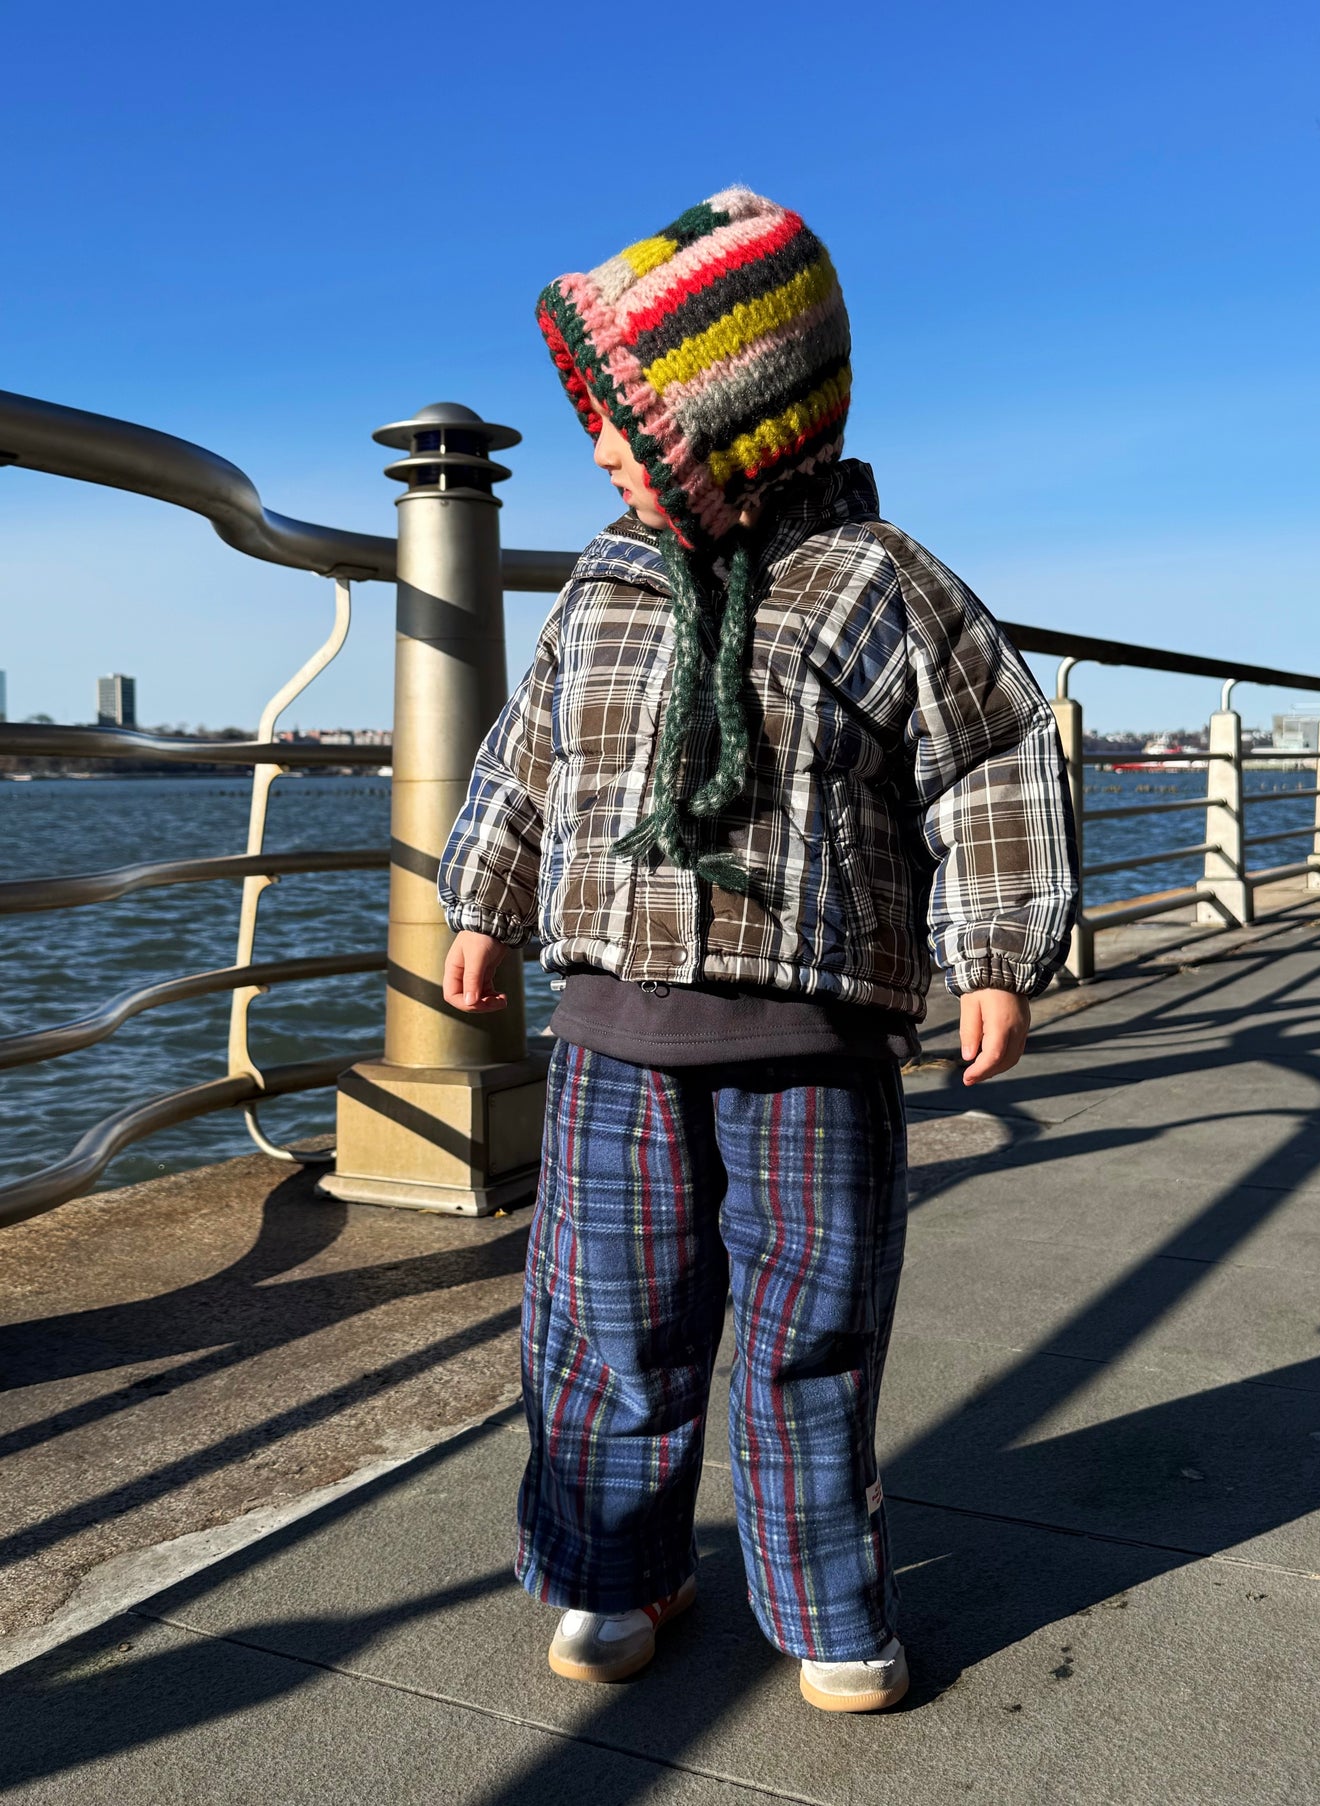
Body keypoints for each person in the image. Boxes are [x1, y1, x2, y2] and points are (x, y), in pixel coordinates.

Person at [438, 187, 1078, 1713]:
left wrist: (992, 947)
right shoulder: (597, 584)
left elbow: (990, 757)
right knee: (604, 1324)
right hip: (610, 1033)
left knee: (814, 1339)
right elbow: (529, 760)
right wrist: (481, 902)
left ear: (746, 430)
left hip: (816, 1047)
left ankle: (825, 1598)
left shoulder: (883, 582)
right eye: (598, 421)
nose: (601, 452)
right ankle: (614, 1564)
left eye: (627, 425)